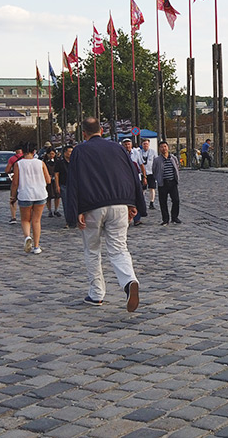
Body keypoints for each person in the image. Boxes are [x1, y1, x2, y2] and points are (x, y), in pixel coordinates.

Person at [67, 117, 144, 311]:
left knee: (92, 250)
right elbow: (131, 174)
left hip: (92, 206)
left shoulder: (80, 151)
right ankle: (129, 281)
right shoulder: (118, 148)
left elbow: (73, 182)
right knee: (119, 248)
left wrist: (76, 211)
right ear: (101, 130)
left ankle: (96, 293)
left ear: (83, 133)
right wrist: (134, 202)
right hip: (119, 204)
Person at [10, 142, 51, 254]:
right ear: (34, 152)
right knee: (36, 220)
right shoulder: (41, 163)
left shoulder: (18, 164)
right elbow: (48, 180)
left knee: (25, 220)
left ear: (22, 152)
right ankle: (37, 246)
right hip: (40, 194)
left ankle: (27, 236)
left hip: (25, 194)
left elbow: (15, 182)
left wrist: (12, 196)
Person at [151, 141, 181, 225]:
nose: (163, 148)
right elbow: (154, 170)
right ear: (159, 149)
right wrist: (158, 178)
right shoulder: (157, 160)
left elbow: (177, 167)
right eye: (161, 147)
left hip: (172, 182)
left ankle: (174, 217)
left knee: (176, 200)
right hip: (163, 183)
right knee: (163, 202)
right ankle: (165, 219)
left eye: (165, 146)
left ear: (167, 147)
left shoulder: (173, 158)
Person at [121, 138, 147, 225]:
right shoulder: (121, 154)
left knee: (138, 197)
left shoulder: (136, 153)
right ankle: (127, 218)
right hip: (125, 180)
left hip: (136, 178)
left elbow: (141, 165)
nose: (127, 146)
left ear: (131, 145)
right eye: (125, 144)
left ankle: (137, 218)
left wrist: (144, 177)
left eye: (128, 144)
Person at [55, 146, 75, 228]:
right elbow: (56, 174)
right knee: (66, 204)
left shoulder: (75, 162)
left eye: (72, 152)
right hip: (64, 185)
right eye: (69, 152)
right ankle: (68, 221)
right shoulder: (60, 163)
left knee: (75, 203)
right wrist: (57, 186)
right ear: (65, 153)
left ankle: (75, 220)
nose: (70, 153)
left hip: (74, 185)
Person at [5, 147, 23, 223]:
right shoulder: (27, 158)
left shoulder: (12, 159)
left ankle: (13, 217)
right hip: (26, 181)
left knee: (13, 199)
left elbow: (7, 170)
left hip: (16, 179)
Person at [139, 139, 157, 209]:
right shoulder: (139, 152)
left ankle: (151, 202)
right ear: (142, 145)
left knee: (152, 188)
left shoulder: (153, 152)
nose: (145, 145)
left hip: (151, 173)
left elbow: (156, 161)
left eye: (146, 144)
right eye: (144, 144)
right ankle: (142, 202)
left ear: (149, 144)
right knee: (142, 189)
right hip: (142, 173)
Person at [43, 148, 61, 217]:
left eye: (53, 154)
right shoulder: (44, 162)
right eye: (50, 154)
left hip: (56, 180)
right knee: (49, 196)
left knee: (57, 195)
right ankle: (49, 210)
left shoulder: (57, 161)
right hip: (48, 181)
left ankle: (56, 209)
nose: (51, 155)